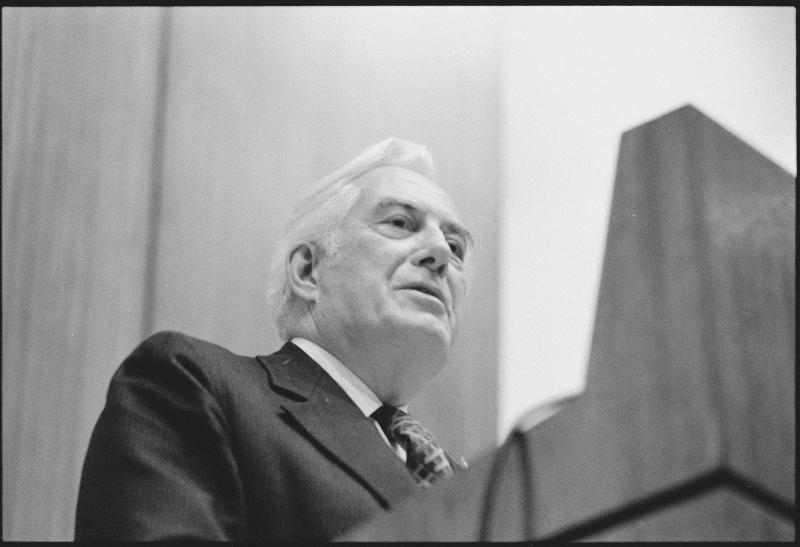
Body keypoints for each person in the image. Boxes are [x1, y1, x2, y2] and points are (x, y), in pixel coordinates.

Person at [74, 137, 474, 541]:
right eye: (400, 223)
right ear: (308, 271)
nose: (440, 252)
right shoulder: (192, 385)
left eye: (456, 246)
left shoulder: (472, 486)